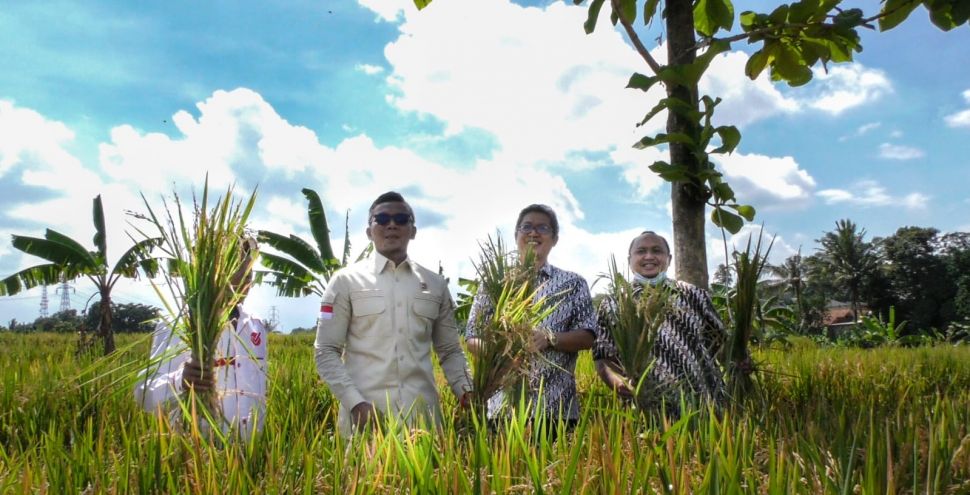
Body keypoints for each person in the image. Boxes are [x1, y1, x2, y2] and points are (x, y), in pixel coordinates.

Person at [314, 191, 472, 436]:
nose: (391, 225)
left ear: (413, 230)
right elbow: (325, 351)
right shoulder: (345, 281)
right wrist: (355, 403)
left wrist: (466, 390)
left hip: (424, 424)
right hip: (366, 424)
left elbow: (450, 350)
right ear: (369, 231)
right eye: (382, 219)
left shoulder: (435, 284)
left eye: (401, 219)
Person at [466, 204, 598, 429]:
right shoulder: (495, 282)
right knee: (503, 464)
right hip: (502, 408)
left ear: (555, 239)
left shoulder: (573, 283)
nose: (533, 233)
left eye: (543, 228)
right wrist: (502, 353)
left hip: (557, 409)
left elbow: (588, 336)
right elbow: (472, 336)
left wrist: (549, 338)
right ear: (516, 235)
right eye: (526, 227)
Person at [134, 237, 267, 437]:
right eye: (239, 270)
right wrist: (180, 380)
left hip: (249, 457)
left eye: (249, 274)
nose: (245, 282)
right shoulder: (177, 325)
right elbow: (144, 395)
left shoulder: (255, 326)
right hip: (197, 455)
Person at [594, 231, 727, 413]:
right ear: (630, 259)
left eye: (657, 251)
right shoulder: (614, 303)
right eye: (641, 251)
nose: (649, 256)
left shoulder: (694, 295)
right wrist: (618, 383)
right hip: (643, 405)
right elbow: (602, 357)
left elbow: (720, 342)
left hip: (703, 402)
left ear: (669, 258)